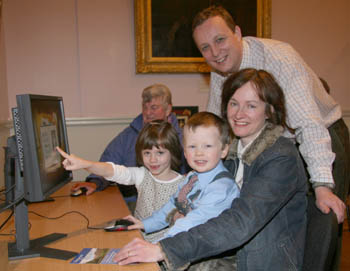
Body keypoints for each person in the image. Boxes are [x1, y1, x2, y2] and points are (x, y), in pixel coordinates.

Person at [113, 69, 308, 271]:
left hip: (261, 261)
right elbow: (186, 204)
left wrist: (166, 248)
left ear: (269, 111)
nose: (239, 114)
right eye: (234, 104)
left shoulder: (281, 157)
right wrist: (149, 224)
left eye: (251, 106)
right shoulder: (228, 151)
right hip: (225, 250)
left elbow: (240, 223)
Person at [191, 5, 348, 223]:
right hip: (279, 147)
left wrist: (322, 185)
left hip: (324, 137)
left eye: (220, 40)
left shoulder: (279, 58)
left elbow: (308, 123)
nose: (215, 53)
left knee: (323, 224)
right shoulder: (220, 69)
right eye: (205, 47)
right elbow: (216, 125)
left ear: (237, 33)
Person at [57, 120, 185, 242]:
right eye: (147, 153)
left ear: (173, 152)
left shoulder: (184, 185)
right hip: (138, 239)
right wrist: (84, 164)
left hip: (164, 251)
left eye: (160, 153)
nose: (152, 159)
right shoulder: (142, 175)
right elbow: (112, 171)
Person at [123, 112, 240, 244]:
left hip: (210, 257)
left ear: (224, 150)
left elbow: (192, 222)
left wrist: (159, 245)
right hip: (186, 243)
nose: (199, 153)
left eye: (207, 146)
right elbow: (172, 205)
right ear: (184, 151)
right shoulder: (191, 177)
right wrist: (144, 224)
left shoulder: (221, 188)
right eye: (192, 146)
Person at [72, 84, 185, 206]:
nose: (147, 113)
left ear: (168, 110)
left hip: (171, 202)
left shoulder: (183, 138)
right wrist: (95, 181)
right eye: (144, 107)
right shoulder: (129, 135)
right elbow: (111, 162)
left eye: (153, 108)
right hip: (132, 201)